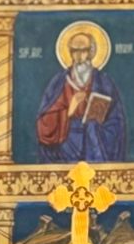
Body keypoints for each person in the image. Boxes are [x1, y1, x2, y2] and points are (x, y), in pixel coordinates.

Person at [34, 31, 128, 163]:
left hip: (95, 142)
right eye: (74, 51)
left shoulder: (103, 82)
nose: (78, 55)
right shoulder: (59, 82)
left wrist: (95, 122)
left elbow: (116, 121)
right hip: (66, 144)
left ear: (91, 52)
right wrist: (68, 111)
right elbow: (43, 123)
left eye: (83, 50)